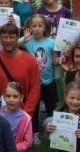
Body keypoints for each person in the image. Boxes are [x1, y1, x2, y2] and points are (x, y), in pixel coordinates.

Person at [0, 24, 40, 117]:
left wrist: (26, 114)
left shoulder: (30, 60)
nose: (8, 41)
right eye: (5, 37)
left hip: (21, 113)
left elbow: (34, 89)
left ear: (18, 38)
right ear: (0, 38)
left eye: (12, 37)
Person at [19, 14, 56, 142]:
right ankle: (34, 132)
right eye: (34, 26)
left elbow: (55, 61)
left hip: (48, 81)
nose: (37, 28)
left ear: (45, 27)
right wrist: (23, 39)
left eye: (40, 26)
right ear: (29, 28)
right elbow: (13, 45)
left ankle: (52, 132)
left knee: (51, 107)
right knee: (33, 107)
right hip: (33, 82)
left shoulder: (51, 42)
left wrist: (62, 59)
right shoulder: (27, 41)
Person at [0, 82, 33, 152]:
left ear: (21, 98)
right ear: (3, 97)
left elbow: (27, 142)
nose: (11, 100)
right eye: (8, 96)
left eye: (15, 96)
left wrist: (11, 148)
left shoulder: (25, 118)